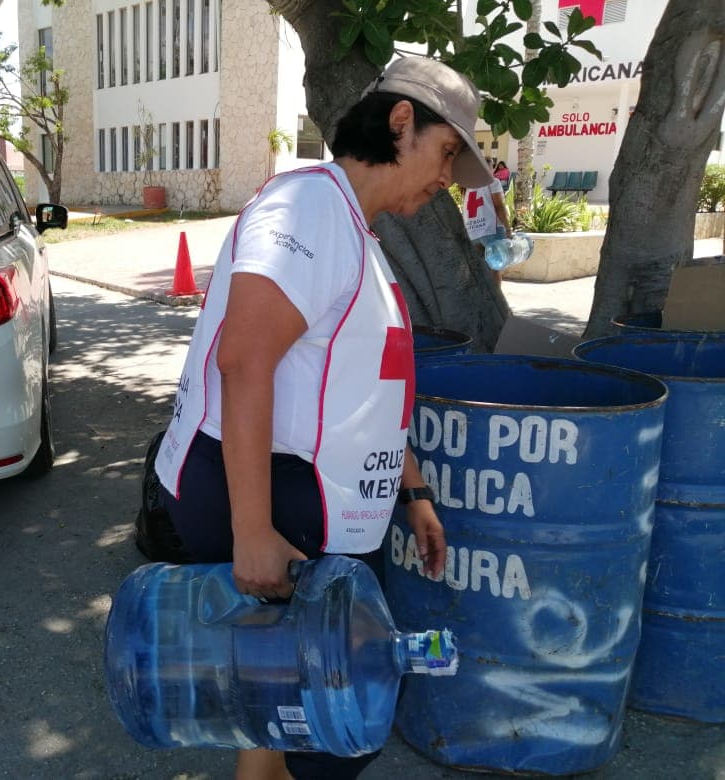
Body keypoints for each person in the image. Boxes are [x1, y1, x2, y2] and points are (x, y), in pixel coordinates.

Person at [154, 56, 491, 780]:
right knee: (329, 732)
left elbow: (358, 392)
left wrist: (414, 489)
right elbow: (244, 360)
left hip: (307, 507)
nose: (446, 179)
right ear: (401, 122)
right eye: (446, 153)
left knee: (274, 727)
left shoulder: (355, 232)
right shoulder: (307, 207)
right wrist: (252, 531)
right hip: (272, 505)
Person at [462, 174, 514, 286]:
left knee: (479, 270)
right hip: (491, 230)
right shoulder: (493, 182)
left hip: (473, 232)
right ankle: (496, 302)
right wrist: (508, 229)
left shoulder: (468, 186)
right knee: (495, 269)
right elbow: (499, 206)